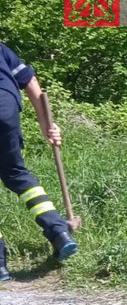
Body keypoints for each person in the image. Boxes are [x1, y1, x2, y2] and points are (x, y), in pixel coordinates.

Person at [0, 42, 78, 281]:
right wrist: (47, 126)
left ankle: (0, 267)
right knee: (16, 174)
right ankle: (59, 231)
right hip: (4, 108)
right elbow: (30, 81)